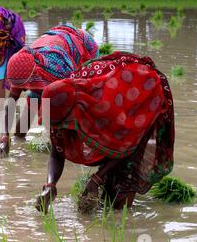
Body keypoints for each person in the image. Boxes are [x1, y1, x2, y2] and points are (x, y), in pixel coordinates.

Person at [35, 52, 175, 214]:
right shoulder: (59, 105)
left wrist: (96, 179)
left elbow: (127, 145)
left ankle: (123, 213)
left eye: (61, 124)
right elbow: (56, 152)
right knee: (107, 189)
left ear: (75, 114)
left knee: (121, 198)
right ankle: (106, 187)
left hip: (143, 93)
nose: (58, 130)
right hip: (114, 95)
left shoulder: (106, 111)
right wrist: (50, 185)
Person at [0, 24, 99, 159]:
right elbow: (11, 102)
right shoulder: (19, 66)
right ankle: (19, 139)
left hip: (82, 45)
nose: (23, 88)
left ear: (35, 76)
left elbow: (77, 100)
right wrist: (4, 137)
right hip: (53, 40)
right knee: (32, 102)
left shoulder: (59, 69)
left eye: (26, 85)